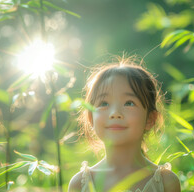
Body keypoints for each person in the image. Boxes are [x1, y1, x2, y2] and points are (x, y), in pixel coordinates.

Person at [68, 58, 181, 192]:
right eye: (104, 103)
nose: (115, 113)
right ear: (91, 118)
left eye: (129, 103)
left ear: (150, 119)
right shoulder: (80, 184)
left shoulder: (165, 182)